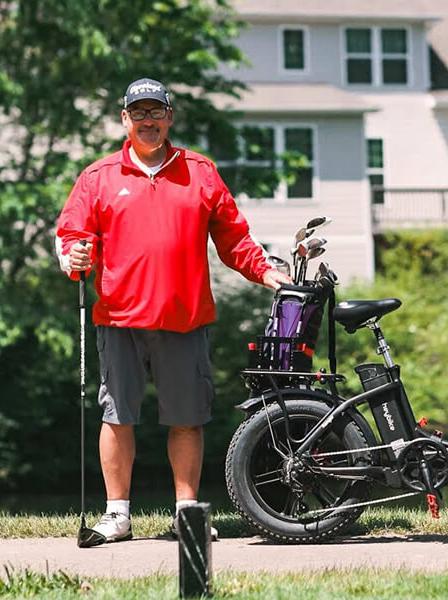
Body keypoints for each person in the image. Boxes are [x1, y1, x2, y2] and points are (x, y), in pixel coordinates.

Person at [55, 77, 290, 546]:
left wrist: (265, 272)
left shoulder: (200, 172)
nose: (148, 121)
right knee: (117, 416)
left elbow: (234, 238)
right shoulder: (98, 177)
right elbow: (72, 236)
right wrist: (73, 256)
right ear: (125, 119)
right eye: (139, 112)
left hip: (184, 317)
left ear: (169, 117)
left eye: (156, 111)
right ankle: (117, 515)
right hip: (119, 318)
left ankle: (186, 513)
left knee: (186, 418)